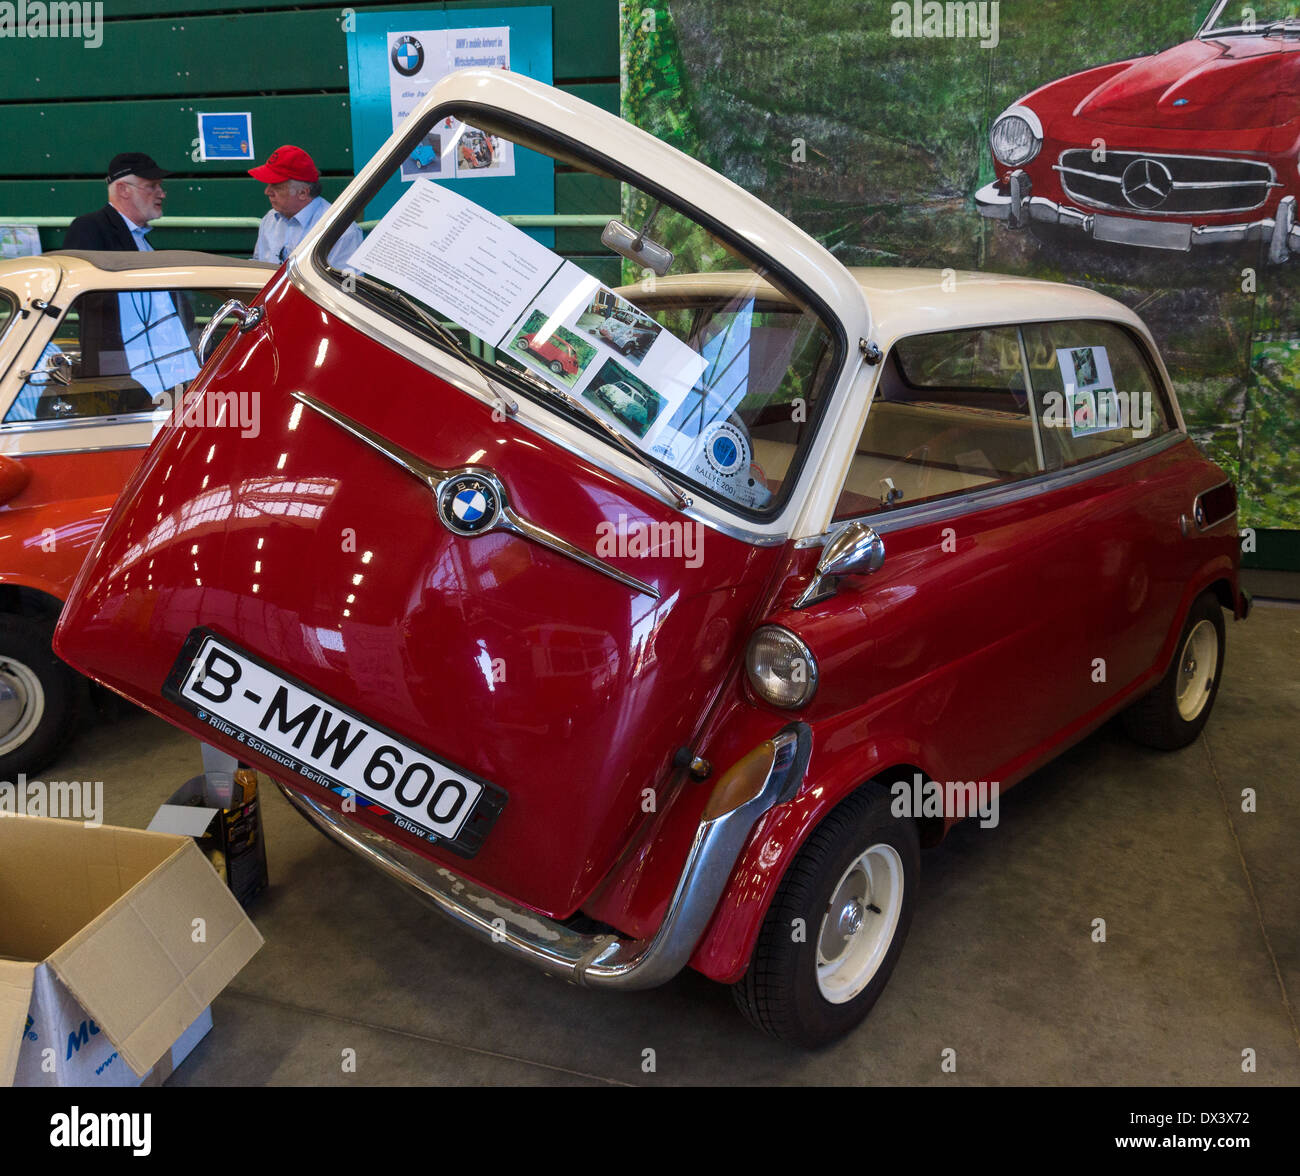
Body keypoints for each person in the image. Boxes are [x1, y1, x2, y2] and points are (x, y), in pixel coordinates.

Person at [249, 145, 361, 270]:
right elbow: (257, 264)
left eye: (276, 186)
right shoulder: (270, 219)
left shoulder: (341, 230)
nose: (267, 191)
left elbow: (347, 285)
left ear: (303, 193)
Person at [64, 152, 171, 251]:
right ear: (123, 190)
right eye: (151, 186)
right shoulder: (88, 228)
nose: (162, 194)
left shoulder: (136, 233)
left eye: (160, 186)